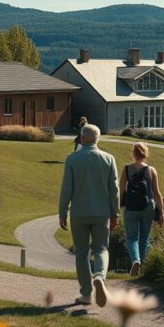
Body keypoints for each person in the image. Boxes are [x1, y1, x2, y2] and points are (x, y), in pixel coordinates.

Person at [58, 123, 119, 306]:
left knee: (82, 253)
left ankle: (86, 293)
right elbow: (114, 189)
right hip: (101, 213)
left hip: (79, 213)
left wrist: (62, 212)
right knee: (101, 249)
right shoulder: (109, 159)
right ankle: (99, 275)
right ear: (98, 139)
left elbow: (66, 188)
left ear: (82, 138)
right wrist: (115, 213)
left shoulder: (72, 159)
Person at [120, 142, 164, 276]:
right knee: (145, 238)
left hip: (131, 207)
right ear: (145, 153)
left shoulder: (127, 169)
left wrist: (115, 209)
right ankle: (141, 269)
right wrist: (162, 212)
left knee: (131, 237)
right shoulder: (151, 170)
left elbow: (121, 190)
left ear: (133, 153)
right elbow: (157, 194)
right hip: (148, 207)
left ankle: (135, 260)